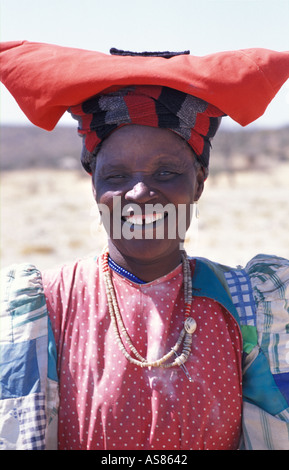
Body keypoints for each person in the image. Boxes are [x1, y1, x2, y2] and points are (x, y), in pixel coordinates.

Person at [0, 42, 289, 451]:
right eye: (116, 175)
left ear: (199, 182)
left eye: (167, 171)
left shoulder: (251, 307)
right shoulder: (44, 308)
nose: (139, 193)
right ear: (95, 185)